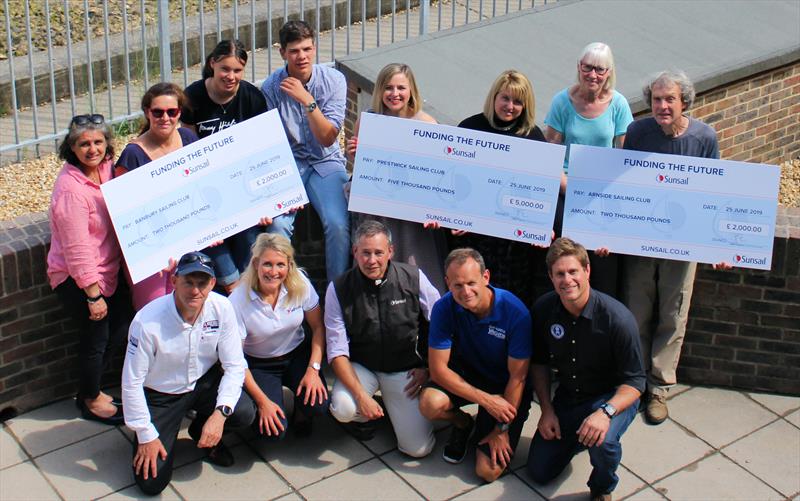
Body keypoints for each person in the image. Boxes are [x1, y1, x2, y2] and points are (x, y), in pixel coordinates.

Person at [621, 70, 725, 425]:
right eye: (657, 99)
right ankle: (633, 382)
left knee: (672, 313)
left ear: (684, 102)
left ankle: (659, 388)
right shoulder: (638, 132)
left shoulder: (704, 137)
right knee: (636, 312)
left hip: (682, 245)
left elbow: (715, 194)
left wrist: (720, 246)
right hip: (641, 240)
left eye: (670, 100)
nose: (662, 106)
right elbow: (623, 183)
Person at [121, 252, 255, 495]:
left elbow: (235, 366)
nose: (195, 291)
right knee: (151, 484)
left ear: (212, 284)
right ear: (174, 281)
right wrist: (145, 433)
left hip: (202, 383)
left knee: (244, 412)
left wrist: (219, 414)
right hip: (161, 395)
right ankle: (155, 435)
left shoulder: (222, 307)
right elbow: (131, 383)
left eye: (202, 283)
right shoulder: (146, 322)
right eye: (188, 282)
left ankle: (203, 429)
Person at [526, 238, 644, 501]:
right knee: (539, 471)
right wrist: (546, 409)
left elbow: (636, 382)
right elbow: (539, 363)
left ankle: (602, 487)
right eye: (559, 274)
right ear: (551, 277)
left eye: (573, 272)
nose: (567, 280)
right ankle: (580, 435)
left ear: (587, 271)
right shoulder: (544, 309)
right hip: (570, 398)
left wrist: (605, 413)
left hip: (612, 398)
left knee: (604, 442)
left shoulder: (618, 319)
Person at [324, 220, 438, 457]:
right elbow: (336, 351)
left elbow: (442, 325)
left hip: (404, 371)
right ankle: (363, 414)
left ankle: (390, 406)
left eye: (378, 252)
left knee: (418, 449)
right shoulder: (339, 288)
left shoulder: (414, 278)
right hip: (363, 368)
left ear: (391, 252)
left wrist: (428, 368)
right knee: (343, 408)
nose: (372, 260)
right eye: (365, 253)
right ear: (355, 252)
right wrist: (359, 396)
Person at [419, 248, 532, 483]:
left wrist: (501, 430)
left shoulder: (515, 312)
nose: (465, 292)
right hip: (468, 375)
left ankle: (490, 425)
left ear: (486, 277)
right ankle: (463, 423)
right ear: (447, 282)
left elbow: (518, 377)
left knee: (487, 472)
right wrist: (485, 401)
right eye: (457, 285)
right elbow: (438, 369)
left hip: (505, 385)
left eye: (471, 283)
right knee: (430, 404)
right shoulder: (444, 307)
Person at [48, 114, 132, 425]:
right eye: (84, 144)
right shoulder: (71, 191)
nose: (92, 149)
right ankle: (89, 398)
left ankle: (91, 389)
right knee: (95, 340)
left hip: (108, 271)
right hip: (79, 279)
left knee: (120, 327)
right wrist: (93, 296)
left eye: (98, 141)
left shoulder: (108, 169)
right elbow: (77, 249)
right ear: (71, 148)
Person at [261, 20, 351, 282]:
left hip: (326, 161)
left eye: (307, 49)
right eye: (294, 51)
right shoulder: (271, 87)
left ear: (314, 48)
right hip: (289, 163)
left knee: (338, 224)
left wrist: (307, 100)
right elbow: (272, 141)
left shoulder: (334, 80)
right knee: (277, 225)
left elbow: (327, 138)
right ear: (283, 53)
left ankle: (337, 292)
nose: (302, 56)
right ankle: (282, 289)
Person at [346, 63, 447, 292]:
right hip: (378, 209)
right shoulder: (368, 120)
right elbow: (363, 170)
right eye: (388, 88)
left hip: (412, 216)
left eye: (401, 87)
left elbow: (438, 174)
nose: (395, 94)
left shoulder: (427, 124)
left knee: (416, 269)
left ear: (411, 90)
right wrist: (356, 155)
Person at [182, 40, 271, 293]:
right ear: (212, 64)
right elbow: (188, 147)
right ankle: (233, 285)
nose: (231, 76)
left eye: (237, 71)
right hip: (204, 186)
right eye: (225, 69)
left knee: (251, 234)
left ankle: (246, 285)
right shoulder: (193, 97)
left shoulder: (252, 98)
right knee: (208, 231)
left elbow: (263, 147)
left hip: (242, 184)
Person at [545, 42, 634, 297]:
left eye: (600, 69)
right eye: (587, 68)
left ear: (609, 72)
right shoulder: (562, 102)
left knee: (602, 263)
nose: (593, 75)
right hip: (565, 190)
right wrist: (569, 187)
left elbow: (624, 156)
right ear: (578, 68)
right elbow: (550, 153)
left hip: (602, 194)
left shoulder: (618, 104)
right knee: (566, 259)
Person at [454, 69, 547, 306]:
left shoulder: (533, 137)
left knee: (509, 303)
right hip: (475, 237)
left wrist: (540, 226)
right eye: (505, 98)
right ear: (494, 97)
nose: (510, 106)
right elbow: (455, 180)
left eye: (517, 101)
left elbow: (540, 190)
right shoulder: (469, 128)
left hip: (514, 245)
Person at [229, 233, 329, 439]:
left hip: (297, 354)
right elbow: (235, 359)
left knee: (319, 405)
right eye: (267, 264)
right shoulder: (238, 300)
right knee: (273, 432)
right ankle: (265, 405)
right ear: (256, 264)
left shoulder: (299, 282)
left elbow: (318, 327)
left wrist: (313, 369)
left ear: (289, 265)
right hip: (259, 363)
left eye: (280, 265)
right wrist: (262, 402)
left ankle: (302, 412)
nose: (274, 272)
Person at [116, 82, 199, 310]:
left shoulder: (189, 139)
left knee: (185, 309)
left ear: (179, 113)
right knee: (152, 311)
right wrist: (153, 254)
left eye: (172, 112)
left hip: (186, 241)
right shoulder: (133, 154)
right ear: (147, 112)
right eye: (158, 112)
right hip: (149, 250)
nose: (165, 118)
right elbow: (123, 212)